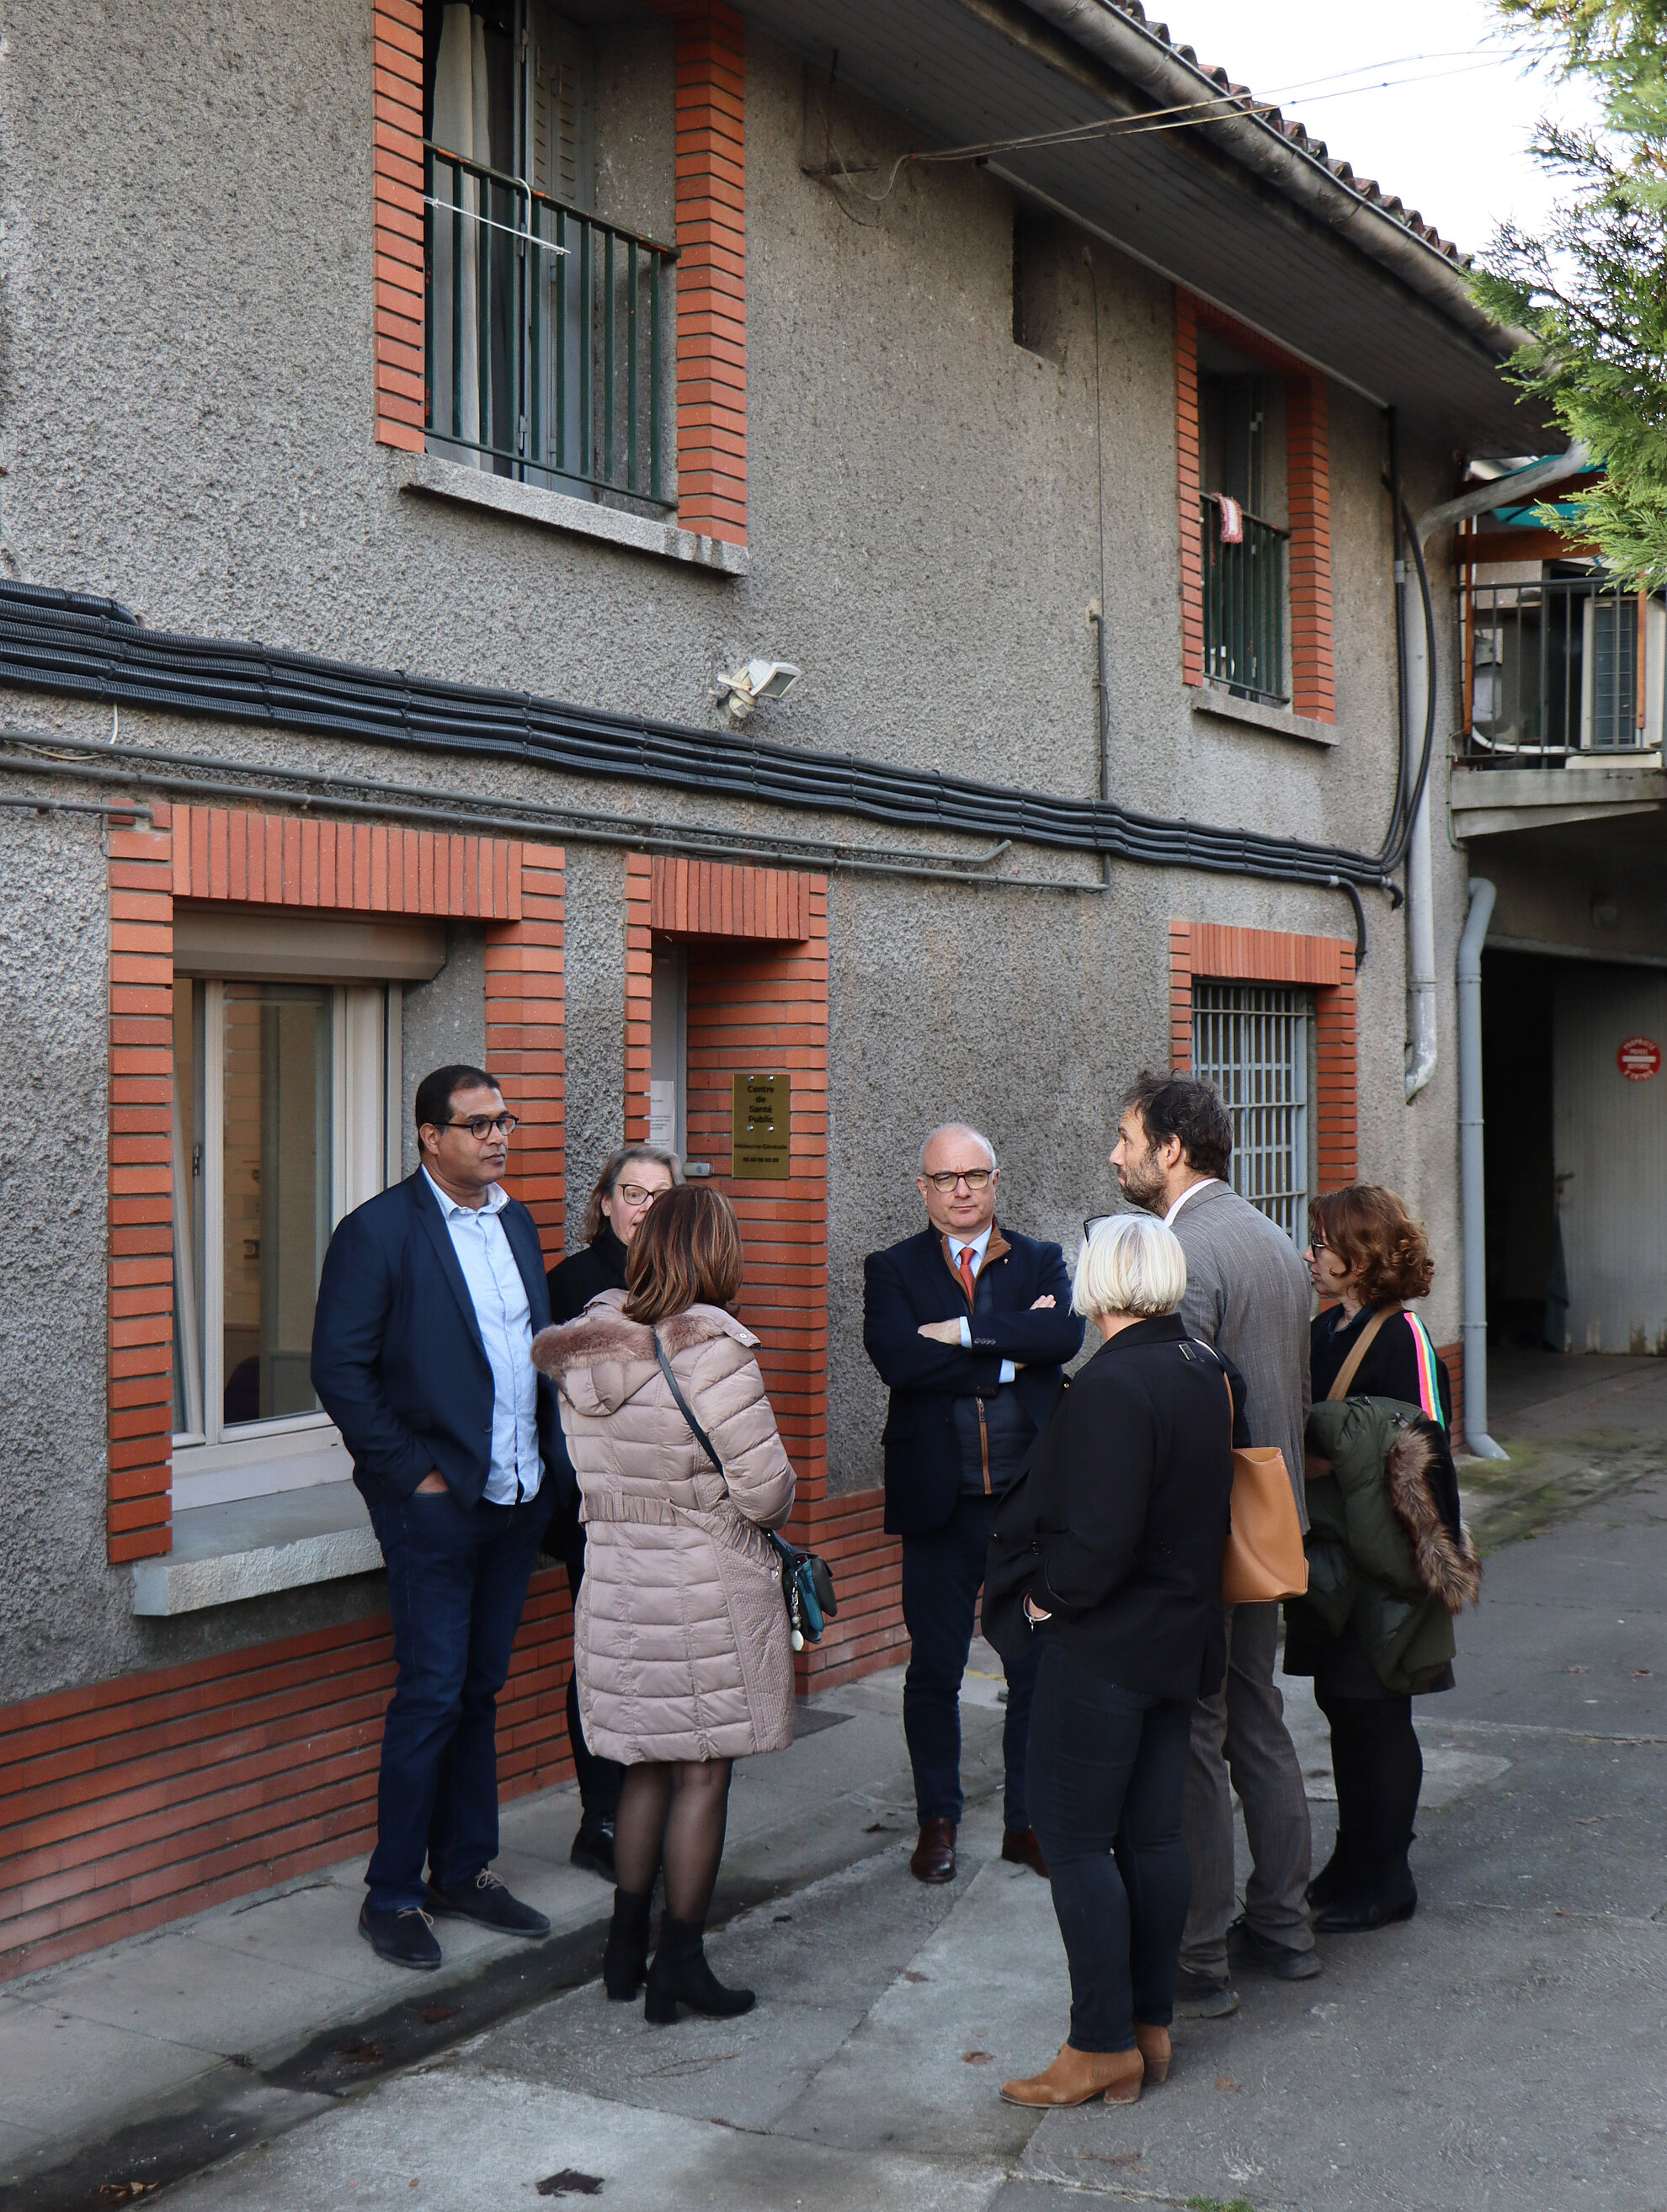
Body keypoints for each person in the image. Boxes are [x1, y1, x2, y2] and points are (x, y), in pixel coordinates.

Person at [312, 1064, 569, 1971]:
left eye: (504, 1122)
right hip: (434, 1508)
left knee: (479, 1690)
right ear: (430, 1135)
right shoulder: (380, 1232)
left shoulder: (515, 1220)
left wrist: (544, 1470)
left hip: (514, 1497)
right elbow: (339, 1369)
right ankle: (391, 1895)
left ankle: (464, 1870)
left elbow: (527, 1355)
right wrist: (411, 1474)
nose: (497, 1138)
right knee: (428, 1695)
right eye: (476, 1124)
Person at [986, 1215, 1241, 2108]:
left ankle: (1100, 2044)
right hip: (1180, 1639)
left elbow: (1097, 1545)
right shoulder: (1206, 1369)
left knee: (1076, 1839)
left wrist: (1038, 1600)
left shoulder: (1112, 1386)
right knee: (1154, 1835)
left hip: (1102, 1649)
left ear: (1097, 1284)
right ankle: (1148, 2027)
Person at [532, 1183, 795, 2023]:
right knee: (702, 1770)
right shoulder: (711, 1352)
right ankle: (680, 1962)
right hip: (700, 1581)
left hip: (614, 1578)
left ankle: (621, 1952)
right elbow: (766, 1492)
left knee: (640, 1762)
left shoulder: (590, 1353)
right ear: (715, 1253)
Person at [1110, 1071, 1317, 2010]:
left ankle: (1199, 1954)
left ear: (1171, 1150)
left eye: (1126, 1138)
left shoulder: (1178, 1249)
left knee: (1197, 1736)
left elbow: (1179, 1413)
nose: (1116, 1156)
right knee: (1260, 1722)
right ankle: (1284, 1923)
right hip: (1273, 1526)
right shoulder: (1273, 1236)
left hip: (1206, 1539)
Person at [863, 1125, 1084, 1886]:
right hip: (940, 1504)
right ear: (922, 1189)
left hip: (1028, 1506)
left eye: (975, 1175)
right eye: (945, 1177)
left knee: (1035, 1670)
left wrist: (960, 1335)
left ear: (996, 1182)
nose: (961, 1189)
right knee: (935, 1669)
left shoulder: (1041, 1258)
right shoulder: (891, 1268)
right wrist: (1010, 1348)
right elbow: (898, 1358)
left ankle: (1026, 1823)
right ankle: (939, 1820)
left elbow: (1064, 1335)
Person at [1291, 1184, 1480, 1932]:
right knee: (1342, 1707)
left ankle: (1387, 1876)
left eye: (1320, 1242)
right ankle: (1352, 1861)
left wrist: (1432, 1564)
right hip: (1339, 1562)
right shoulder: (1328, 1327)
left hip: (1388, 1565)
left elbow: (1431, 1451)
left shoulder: (1402, 1337)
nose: (1309, 1254)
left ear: (1358, 1256)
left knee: (1377, 1714)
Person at [544, 1145, 681, 1880]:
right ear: (604, 1202)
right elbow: (560, 1407)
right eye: (634, 1193)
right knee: (603, 1662)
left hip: (674, 1510)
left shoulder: (690, 1283)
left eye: (662, 1195)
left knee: (659, 1660)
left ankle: (644, 1809)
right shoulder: (572, 1284)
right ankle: (600, 1818)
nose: (646, 1208)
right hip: (598, 1508)